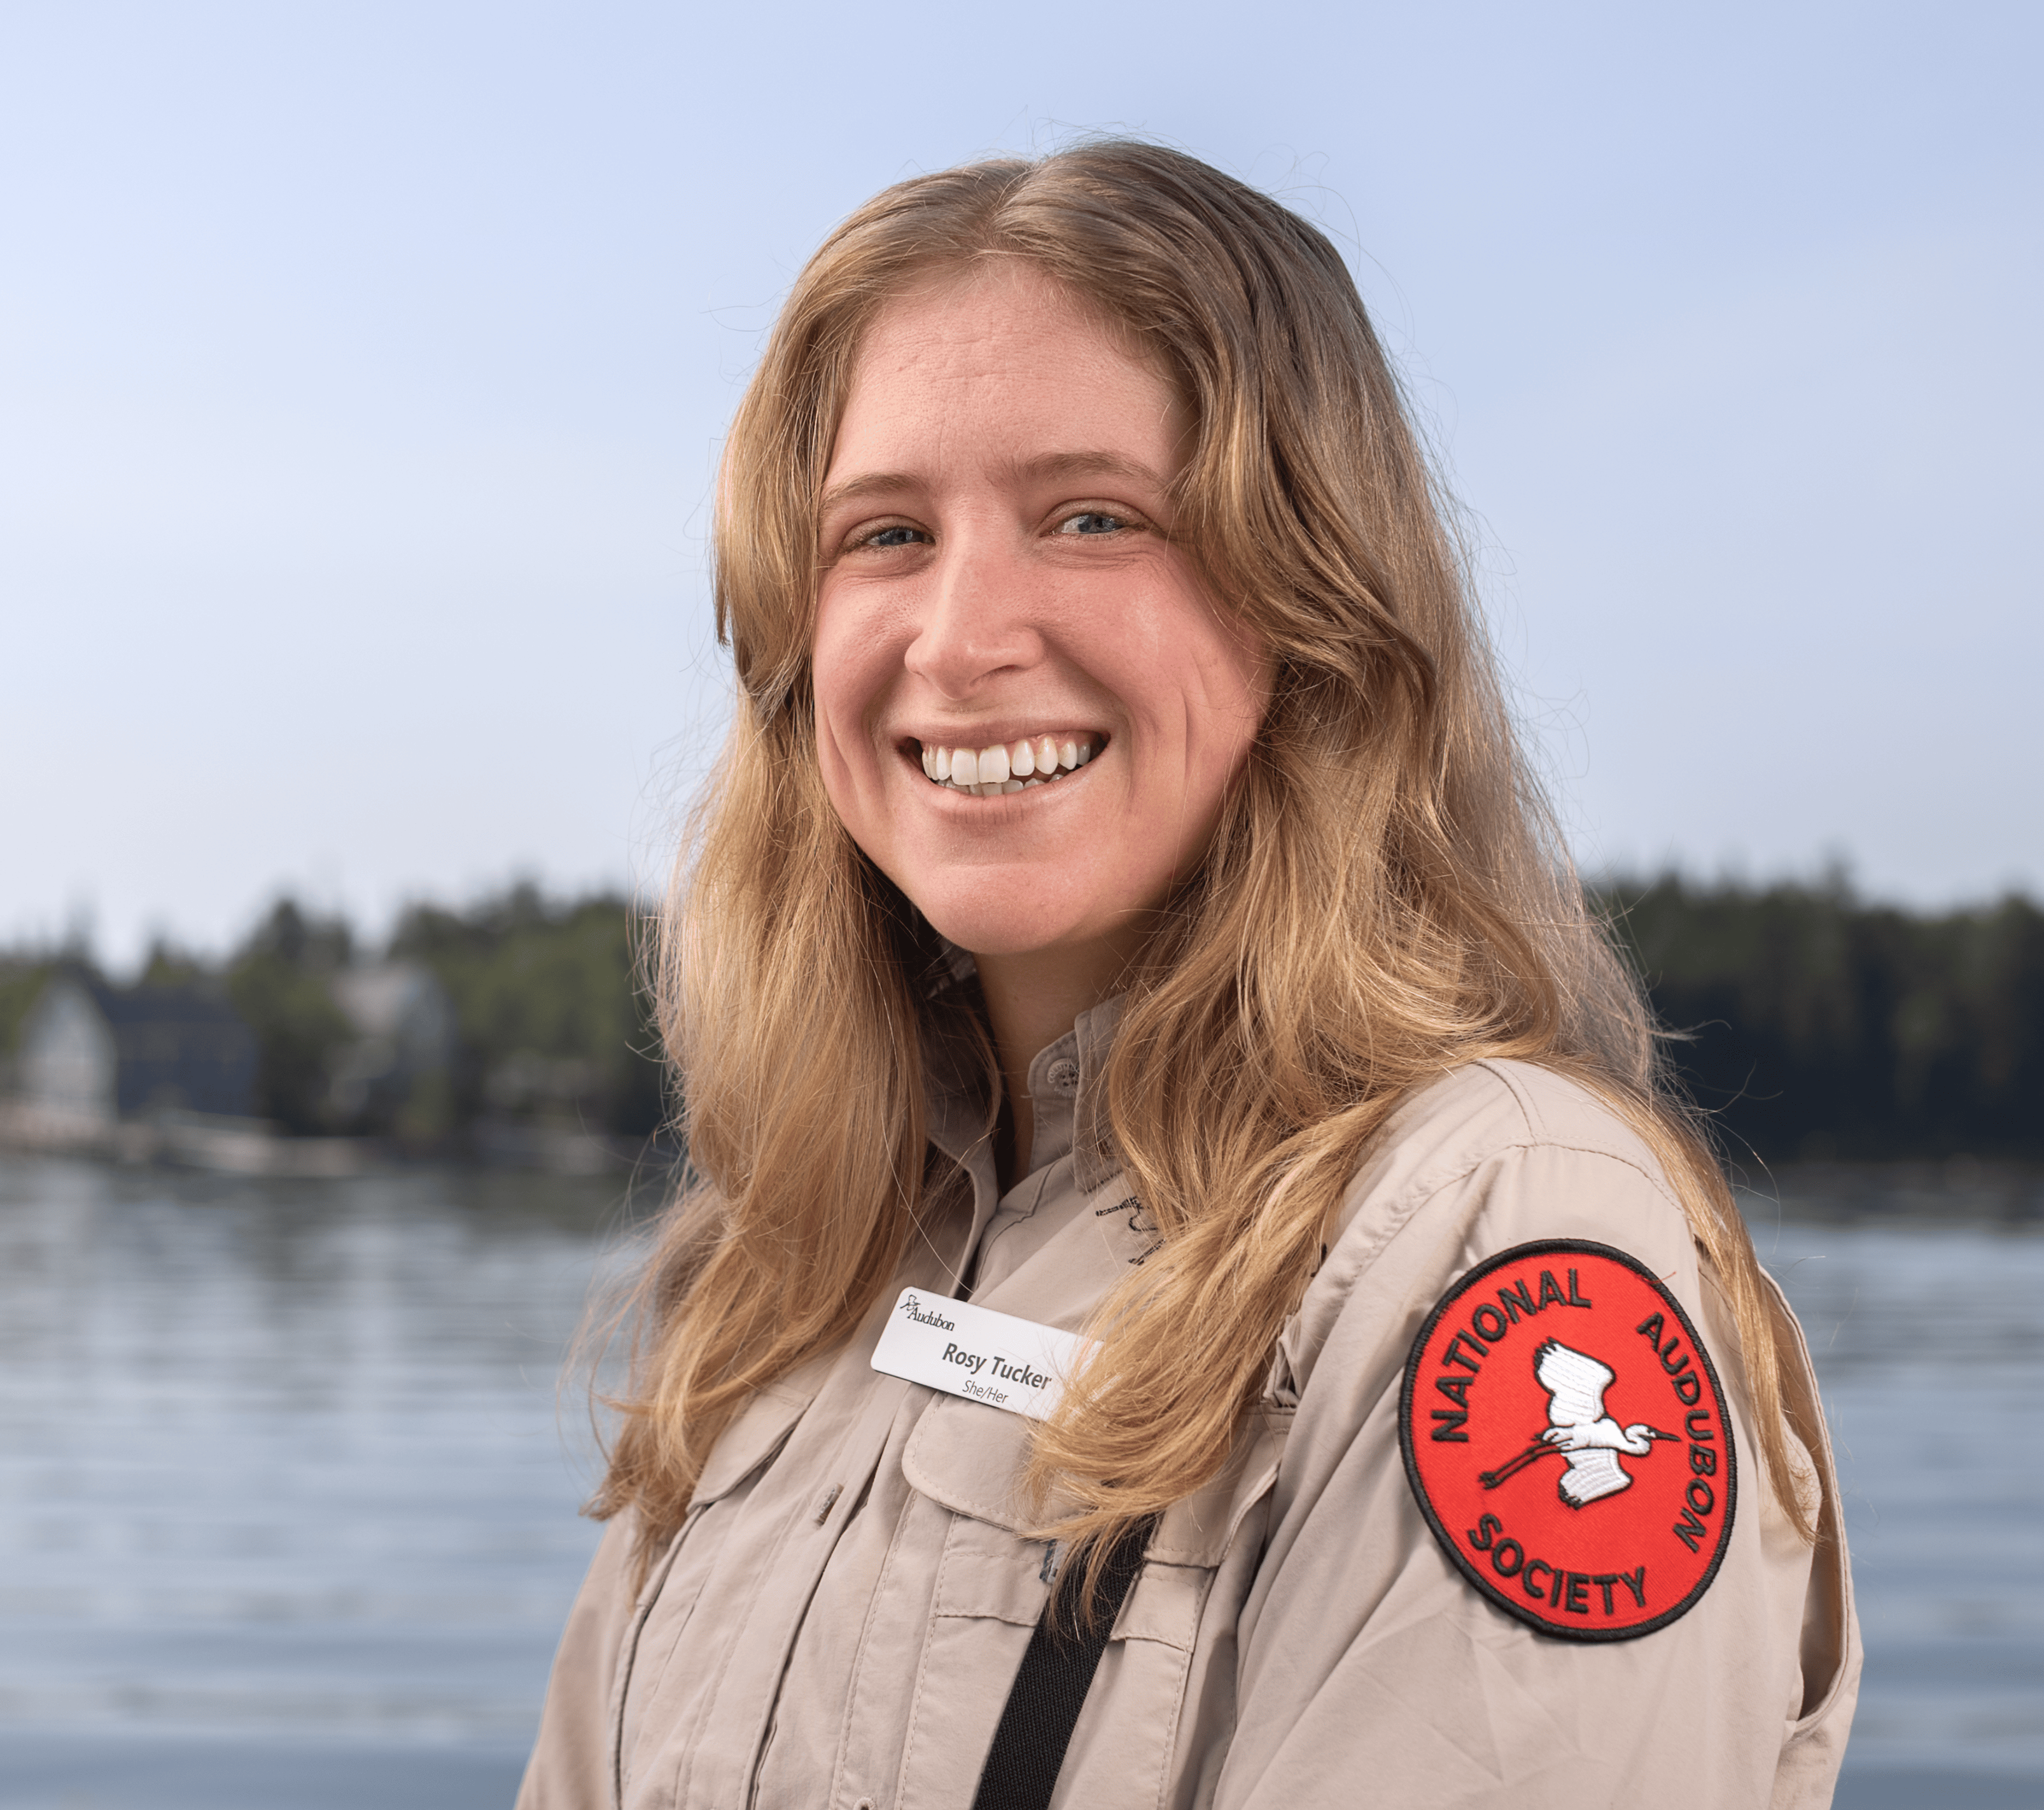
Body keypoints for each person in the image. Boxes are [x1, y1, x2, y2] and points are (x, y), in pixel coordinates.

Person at [517, 142, 1857, 1810]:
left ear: (1312, 607)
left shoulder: (1492, 1238)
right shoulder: (789, 1276)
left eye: (1093, 518)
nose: (959, 637)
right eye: (885, 534)